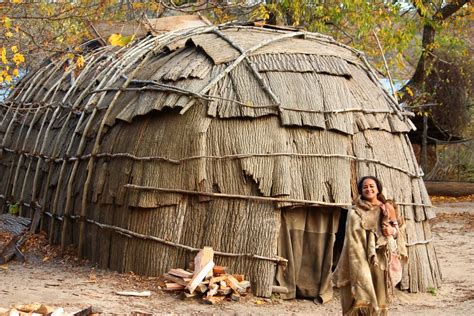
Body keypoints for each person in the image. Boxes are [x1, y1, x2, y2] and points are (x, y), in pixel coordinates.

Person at [334, 176, 407, 315]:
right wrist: (359, 260)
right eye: (365, 187)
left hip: (378, 260)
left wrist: (391, 231)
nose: (369, 189)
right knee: (357, 292)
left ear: (378, 188)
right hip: (357, 257)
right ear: (361, 191)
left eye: (371, 186)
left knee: (378, 293)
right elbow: (351, 237)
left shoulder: (387, 208)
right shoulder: (354, 211)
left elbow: (397, 231)